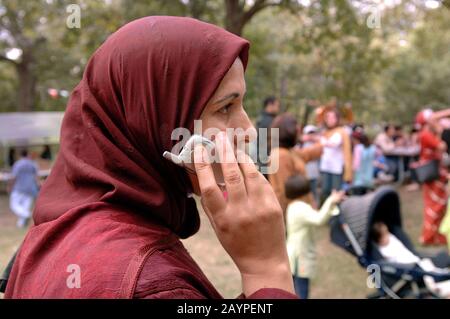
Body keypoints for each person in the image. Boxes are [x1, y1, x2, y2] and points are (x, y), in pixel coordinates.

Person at [4, 17, 296, 299]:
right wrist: (267, 271)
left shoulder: (53, 230)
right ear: (154, 120)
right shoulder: (152, 284)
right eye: (225, 107)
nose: (249, 132)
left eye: (241, 104)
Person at [284, 174, 344, 299]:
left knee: (294, 289)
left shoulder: (293, 206)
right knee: (301, 292)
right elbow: (319, 219)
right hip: (299, 258)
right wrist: (331, 201)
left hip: (294, 255)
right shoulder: (300, 208)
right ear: (305, 193)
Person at [371, 222, 450, 297]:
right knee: (425, 272)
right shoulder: (383, 250)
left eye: (387, 232)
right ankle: (435, 287)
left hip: (415, 260)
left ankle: (441, 274)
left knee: (428, 263)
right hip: (407, 267)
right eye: (385, 235)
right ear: (380, 240)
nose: (388, 236)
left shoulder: (392, 238)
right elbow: (388, 262)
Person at [269, 114, 323, 219]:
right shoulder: (281, 156)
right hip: (294, 215)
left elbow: (308, 153)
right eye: (296, 127)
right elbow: (285, 193)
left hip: (300, 210)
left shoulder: (289, 151)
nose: (299, 130)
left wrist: (318, 141)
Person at [416, 109, 449, 246]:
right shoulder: (425, 135)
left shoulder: (429, 134)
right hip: (432, 175)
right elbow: (442, 146)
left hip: (438, 174)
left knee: (440, 205)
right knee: (433, 206)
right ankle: (427, 237)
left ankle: (437, 236)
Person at [319, 109, 352, 203]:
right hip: (325, 166)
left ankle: (336, 216)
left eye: (333, 117)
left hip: (336, 168)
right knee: (325, 191)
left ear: (337, 119)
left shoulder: (341, 132)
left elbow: (333, 144)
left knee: (336, 193)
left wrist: (317, 139)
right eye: (328, 117)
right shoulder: (324, 132)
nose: (330, 119)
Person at [7, 149, 40, 228]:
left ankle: (27, 215)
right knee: (25, 207)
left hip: (19, 188)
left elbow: (14, 177)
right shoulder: (33, 164)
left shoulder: (18, 164)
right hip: (31, 188)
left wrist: (10, 186)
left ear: (20, 155)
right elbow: (36, 177)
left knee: (14, 205)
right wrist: (38, 186)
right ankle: (20, 225)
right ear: (27, 154)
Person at [255, 96, 280, 176]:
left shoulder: (261, 119)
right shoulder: (268, 121)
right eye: (277, 106)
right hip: (267, 161)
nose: (278, 108)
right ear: (270, 105)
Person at [302, 125, 321, 204]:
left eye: (313, 133)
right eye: (309, 133)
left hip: (314, 174)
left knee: (314, 193)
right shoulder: (301, 145)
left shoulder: (318, 145)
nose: (311, 135)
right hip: (304, 174)